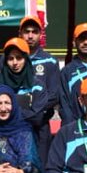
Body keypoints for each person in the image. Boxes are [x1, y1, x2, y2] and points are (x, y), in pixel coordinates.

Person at [0, 38, 55, 150]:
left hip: (32, 139)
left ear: (26, 59)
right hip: (3, 140)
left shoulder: (37, 85)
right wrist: (25, 111)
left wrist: (8, 112)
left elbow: (37, 117)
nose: (15, 63)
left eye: (19, 58)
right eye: (10, 58)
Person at [17, 15, 63, 155]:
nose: (30, 36)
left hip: (41, 124)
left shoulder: (50, 61)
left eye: (34, 32)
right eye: (27, 31)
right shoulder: (11, 59)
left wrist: (33, 112)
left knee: (41, 165)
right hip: (16, 123)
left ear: (41, 34)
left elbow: (54, 95)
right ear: (20, 34)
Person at [59, 24, 87, 125]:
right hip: (76, 127)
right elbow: (64, 104)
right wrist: (72, 129)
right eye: (81, 38)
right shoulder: (66, 71)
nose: (86, 42)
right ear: (74, 42)